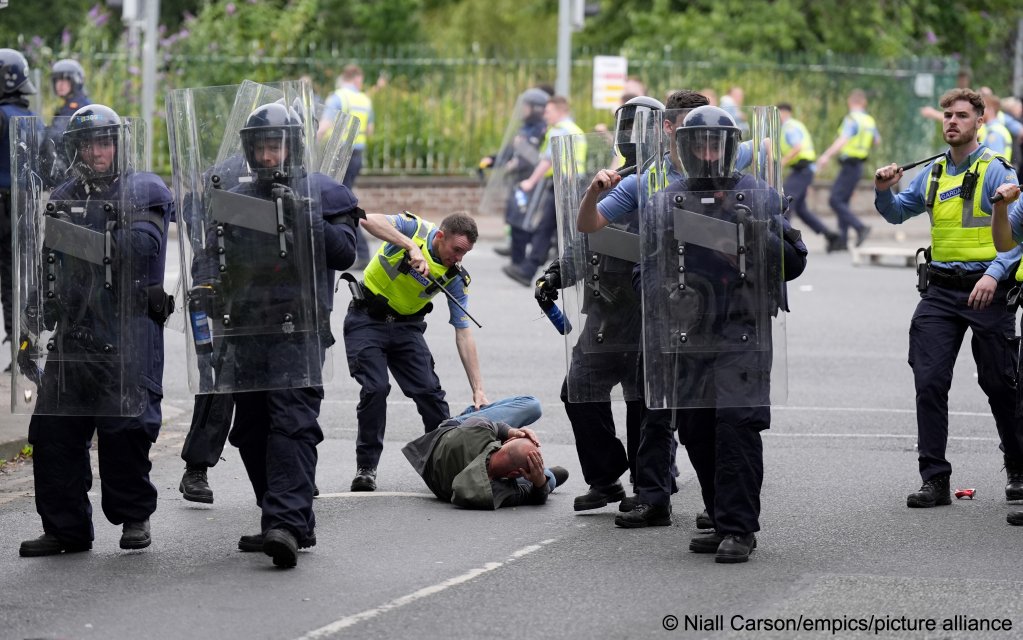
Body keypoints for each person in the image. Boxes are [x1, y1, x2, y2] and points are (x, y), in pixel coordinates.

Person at [189, 101, 369, 568]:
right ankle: (280, 516)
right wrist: (204, 284)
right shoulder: (235, 193)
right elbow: (211, 247)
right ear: (250, 149)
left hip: (297, 328)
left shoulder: (323, 192)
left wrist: (304, 214)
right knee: (249, 430)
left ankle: (287, 524)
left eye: (277, 146)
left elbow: (346, 252)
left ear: (293, 147)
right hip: (244, 329)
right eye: (262, 146)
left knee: (291, 423)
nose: (269, 155)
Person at [18, 105, 175, 557]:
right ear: (76, 149)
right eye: (88, 143)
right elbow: (49, 264)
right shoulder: (64, 194)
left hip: (127, 331)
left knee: (126, 430)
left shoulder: (142, 188)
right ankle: (65, 529)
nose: (97, 150)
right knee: (52, 434)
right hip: (75, 332)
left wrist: (83, 232)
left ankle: (134, 516)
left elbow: (143, 245)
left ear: (118, 144)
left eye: (105, 141)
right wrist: (32, 323)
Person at [874, 88, 1023, 510]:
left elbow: (1017, 236)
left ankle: (1017, 467)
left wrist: (995, 275)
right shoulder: (934, 172)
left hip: (988, 291)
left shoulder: (997, 170)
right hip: (940, 291)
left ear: (980, 121)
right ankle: (934, 478)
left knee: (1000, 384)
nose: (952, 122)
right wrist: (884, 190)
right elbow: (898, 211)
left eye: (961, 115)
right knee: (929, 381)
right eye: (947, 116)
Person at [573, 89, 712, 526]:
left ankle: (721, 503)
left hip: (712, 308)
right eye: (687, 125)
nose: (697, 135)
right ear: (668, 128)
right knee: (653, 408)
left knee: (708, 415)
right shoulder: (643, 179)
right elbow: (589, 226)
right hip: (652, 304)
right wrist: (593, 193)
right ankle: (651, 497)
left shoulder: (726, 174)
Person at [344, 210, 486, 492]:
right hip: (366, 319)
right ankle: (366, 468)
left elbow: (463, 332)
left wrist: (478, 389)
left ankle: (442, 465)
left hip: (407, 330)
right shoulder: (414, 229)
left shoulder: (455, 276)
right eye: (456, 250)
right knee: (375, 388)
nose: (458, 258)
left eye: (464, 253)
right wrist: (409, 246)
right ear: (441, 236)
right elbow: (367, 219)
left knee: (430, 395)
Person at [403, 414, 567, 509]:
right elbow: (535, 497)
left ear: (506, 442)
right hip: (442, 485)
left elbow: (495, 426)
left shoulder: (479, 427)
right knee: (548, 479)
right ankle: (546, 474)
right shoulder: (498, 491)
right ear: (513, 474)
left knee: (529, 405)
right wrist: (538, 482)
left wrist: (511, 431)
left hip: (430, 460)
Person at [503, 95, 585, 286]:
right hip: (571, 184)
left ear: (559, 111)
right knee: (558, 229)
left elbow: (548, 160)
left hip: (562, 184)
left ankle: (532, 270)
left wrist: (530, 182)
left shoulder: (559, 130)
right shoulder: (574, 129)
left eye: (548, 112)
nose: (545, 116)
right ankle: (531, 269)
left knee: (549, 229)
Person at [480, 87, 549, 258]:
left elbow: (537, 157)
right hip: (518, 179)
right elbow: (512, 150)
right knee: (512, 214)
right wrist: (494, 160)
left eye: (526, 106)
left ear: (536, 108)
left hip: (530, 180)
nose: (523, 110)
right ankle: (515, 248)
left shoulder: (542, 129)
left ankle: (521, 255)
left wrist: (518, 158)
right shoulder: (525, 128)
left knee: (522, 215)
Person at [0, 49, 39, 353]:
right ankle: (22, 346)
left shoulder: (1, 115)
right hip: (26, 206)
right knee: (18, 280)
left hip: (2, 205)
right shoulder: (31, 117)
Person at [319, 64, 375, 269]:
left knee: (341, 202)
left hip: (341, 154)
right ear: (357, 78)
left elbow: (325, 125)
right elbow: (370, 130)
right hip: (357, 155)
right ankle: (359, 249)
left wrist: (313, 141)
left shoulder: (338, 97)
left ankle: (360, 250)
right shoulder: (365, 100)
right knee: (346, 198)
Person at [817, 89, 880, 250]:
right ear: (864, 103)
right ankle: (843, 241)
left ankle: (860, 228)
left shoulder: (851, 119)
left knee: (835, 200)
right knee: (842, 200)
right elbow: (876, 141)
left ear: (850, 102)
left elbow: (843, 139)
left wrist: (826, 156)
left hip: (849, 165)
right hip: (859, 165)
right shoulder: (869, 120)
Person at [777, 102, 842, 251]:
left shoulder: (789, 127)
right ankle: (831, 236)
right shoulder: (796, 125)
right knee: (801, 210)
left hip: (802, 170)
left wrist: (782, 162)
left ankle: (783, 240)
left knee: (786, 202)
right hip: (804, 170)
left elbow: (797, 146)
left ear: (784, 112)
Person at [41, 59, 91, 189]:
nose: (60, 84)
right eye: (57, 80)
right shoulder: (69, 106)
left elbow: (57, 136)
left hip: (72, 174)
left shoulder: (78, 107)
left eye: (65, 80)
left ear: (75, 81)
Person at [979, 93, 1014, 164]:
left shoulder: (994, 132)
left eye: (982, 109)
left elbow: (996, 160)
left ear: (990, 109)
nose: (979, 112)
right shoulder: (991, 129)